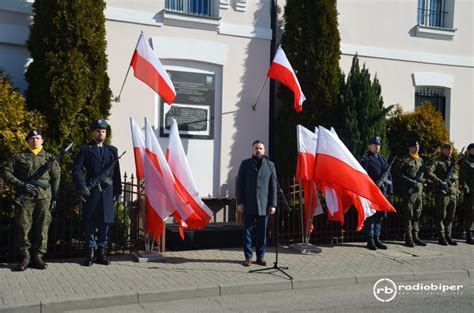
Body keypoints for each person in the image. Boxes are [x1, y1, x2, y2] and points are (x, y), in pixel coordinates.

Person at [3, 129, 60, 271]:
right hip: (26, 197)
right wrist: (21, 184)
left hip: (44, 197)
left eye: (37, 138)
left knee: (42, 227)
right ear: (28, 141)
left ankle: (38, 256)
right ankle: (25, 256)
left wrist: (54, 197)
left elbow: (56, 178)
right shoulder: (19, 157)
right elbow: (6, 171)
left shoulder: (49, 158)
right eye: (32, 138)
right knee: (23, 226)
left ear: (42, 140)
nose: (35, 140)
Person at [72, 119, 122, 266]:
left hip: (107, 192)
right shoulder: (85, 149)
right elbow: (77, 169)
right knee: (90, 223)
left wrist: (117, 191)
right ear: (93, 133)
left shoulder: (112, 151)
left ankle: (101, 254)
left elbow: (116, 173)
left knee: (104, 223)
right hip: (92, 192)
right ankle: (90, 254)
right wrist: (82, 186)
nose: (101, 133)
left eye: (103, 131)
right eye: (98, 131)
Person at [236, 140, 277, 267]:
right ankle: (248, 257)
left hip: (264, 206)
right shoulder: (245, 164)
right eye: (256, 148)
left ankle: (260, 257)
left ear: (264, 151)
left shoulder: (270, 165)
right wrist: (240, 202)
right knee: (247, 233)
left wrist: (273, 204)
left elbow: (273, 186)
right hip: (248, 205)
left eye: (260, 148)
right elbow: (240, 185)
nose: (258, 150)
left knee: (262, 233)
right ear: (252, 150)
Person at [360, 136, 392, 250]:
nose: (377, 147)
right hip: (371, 192)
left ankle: (377, 238)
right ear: (369, 146)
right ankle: (370, 239)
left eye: (378, 145)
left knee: (380, 216)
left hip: (382, 192)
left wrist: (389, 190)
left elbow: (389, 176)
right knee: (371, 216)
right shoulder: (365, 159)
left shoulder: (382, 159)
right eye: (374, 145)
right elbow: (363, 177)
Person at [397, 139, 427, 247]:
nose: (417, 148)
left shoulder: (421, 160)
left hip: (419, 192)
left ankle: (416, 236)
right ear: (410, 148)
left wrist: (422, 181)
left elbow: (423, 176)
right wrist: (410, 181)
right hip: (409, 193)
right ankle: (408, 238)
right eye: (414, 146)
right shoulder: (404, 160)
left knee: (417, 215)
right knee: (409, 216)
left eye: (418, 146)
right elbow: (398, 175)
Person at [427, 143, 459, 246]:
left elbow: (456, 177)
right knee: (441, 216)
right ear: (442, 150)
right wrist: (439, 181)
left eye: (450, 149)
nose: (449, 151)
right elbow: (429, 172)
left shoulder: (453, 162)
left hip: (452, 192)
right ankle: (441, 236)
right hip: (442, 193)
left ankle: (448, 235)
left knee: (450, 216)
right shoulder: (437, 161)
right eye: (447, 149)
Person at [459, 143, 474, 244]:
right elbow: (463, 178)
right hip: (470, 192)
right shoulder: (466, 161)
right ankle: (468, 235)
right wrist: (466, 189)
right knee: (469, 214)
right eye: (472, 149)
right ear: (469, 151)